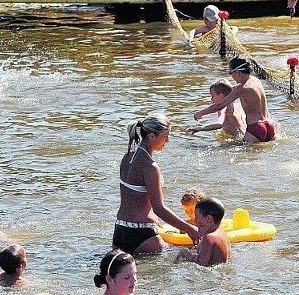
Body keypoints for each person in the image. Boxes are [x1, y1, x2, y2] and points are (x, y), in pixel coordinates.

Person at [113, 113, 199, 254]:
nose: (168, 141)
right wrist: (189, 228)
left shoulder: (127, 157)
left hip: (120, 231)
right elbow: (159, 208)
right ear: (152, 136)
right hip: (142, 233)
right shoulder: (150, 166)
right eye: (165, 136)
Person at [194, 57, 275, 143]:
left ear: (237, 72)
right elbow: (233, 90)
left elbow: (219, 105)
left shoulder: (242, 88)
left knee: (243, 154)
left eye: (231, 73)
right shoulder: (256, 81)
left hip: (256, 127)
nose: (232, 77)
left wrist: (200, 113)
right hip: (270, 125)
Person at [174, 197, 231, 266]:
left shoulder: (209, 237)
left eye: (196, 215)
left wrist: (185, 253)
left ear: (209, 218)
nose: (195, 221)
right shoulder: (222, 233)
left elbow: (201, 263)